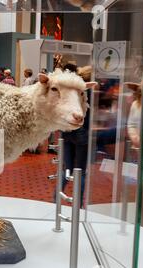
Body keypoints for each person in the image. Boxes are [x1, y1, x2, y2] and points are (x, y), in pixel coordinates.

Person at [59, 64, 91, 206]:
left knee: (67, 168)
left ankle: (55, 200)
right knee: (80, 171)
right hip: (81, 133)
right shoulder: (83, 91)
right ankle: (77, 205)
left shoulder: (66, 90)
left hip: (67, 133)